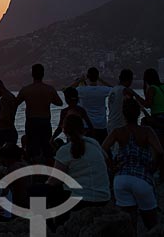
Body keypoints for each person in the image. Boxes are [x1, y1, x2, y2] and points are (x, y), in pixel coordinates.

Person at [102, 99, 164, 233]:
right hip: (141, 177)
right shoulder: (147, 131)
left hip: (121, 179)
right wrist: (153, 167)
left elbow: (103, 148)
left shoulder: (118, 132)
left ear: (123, 115)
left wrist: (112, 165)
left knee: (129, 224)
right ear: (138, 114)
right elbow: (159, 151)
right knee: (152, 224)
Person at [47, 114, 111, 226]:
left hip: (81, 200)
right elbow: (106, 161)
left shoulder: (65, 150)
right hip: (103, 196)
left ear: (64, 130)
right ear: (82, 129)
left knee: (38, 194)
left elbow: (54, 180)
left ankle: (44, 230)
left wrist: (45, 184)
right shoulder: (94, 143)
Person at [17, 64, 63, 161]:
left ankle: (33, 170)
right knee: (46, 148)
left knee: (32, 149)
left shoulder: (26, 90)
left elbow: (15, 103)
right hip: (45, 121)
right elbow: (59, 103)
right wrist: (48, 99)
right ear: (43, 74)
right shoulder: (49, 89)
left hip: (31, 121)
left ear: (32, 74)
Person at [70, 67, 112, 145]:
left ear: (88, 77)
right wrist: (101, 80)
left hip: (86, 125)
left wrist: (80, 80)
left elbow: (68, 90)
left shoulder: (81, 90)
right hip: (101, 125)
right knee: (102, 148)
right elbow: (114, 89)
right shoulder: (103, 90)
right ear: (97, 77)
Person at [0, 79, 18, 152]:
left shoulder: (6, 98)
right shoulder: (10, 96)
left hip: (5, 132)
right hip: (8, 131)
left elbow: (5, 118)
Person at [107, 69, 133, 134]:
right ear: (129, 80)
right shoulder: (125, 91)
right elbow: (131, 109)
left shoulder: (112, 90)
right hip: (120, 125)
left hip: (110, 123)